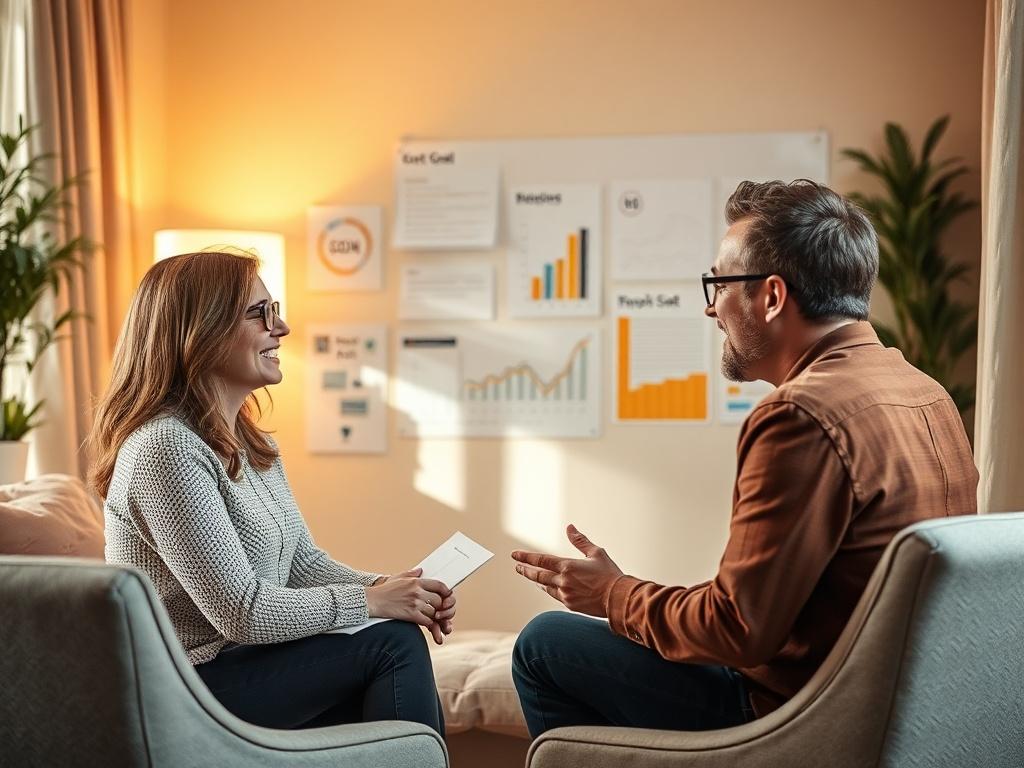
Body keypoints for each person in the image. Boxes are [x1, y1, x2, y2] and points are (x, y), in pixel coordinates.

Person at [510, 179, 979, 737]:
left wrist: (612, 593)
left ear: (773, 296)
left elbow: (737, 630)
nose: (711, 309)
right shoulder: (924, 390)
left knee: (545, 644)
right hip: (897, 709)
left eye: (719, 284)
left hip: (798, 717)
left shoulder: (799, 415)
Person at [88, 251, 453, 733]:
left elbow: (301, 562)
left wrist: (396, 590)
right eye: (259, 313)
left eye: (273, 308)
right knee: (391, 644)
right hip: (185, 684)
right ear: (200, 330)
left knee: (393, 632)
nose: (280, 328)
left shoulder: (250, 442)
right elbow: (241, 612)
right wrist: (371, 602)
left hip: (245, 667)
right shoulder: (164, 448)